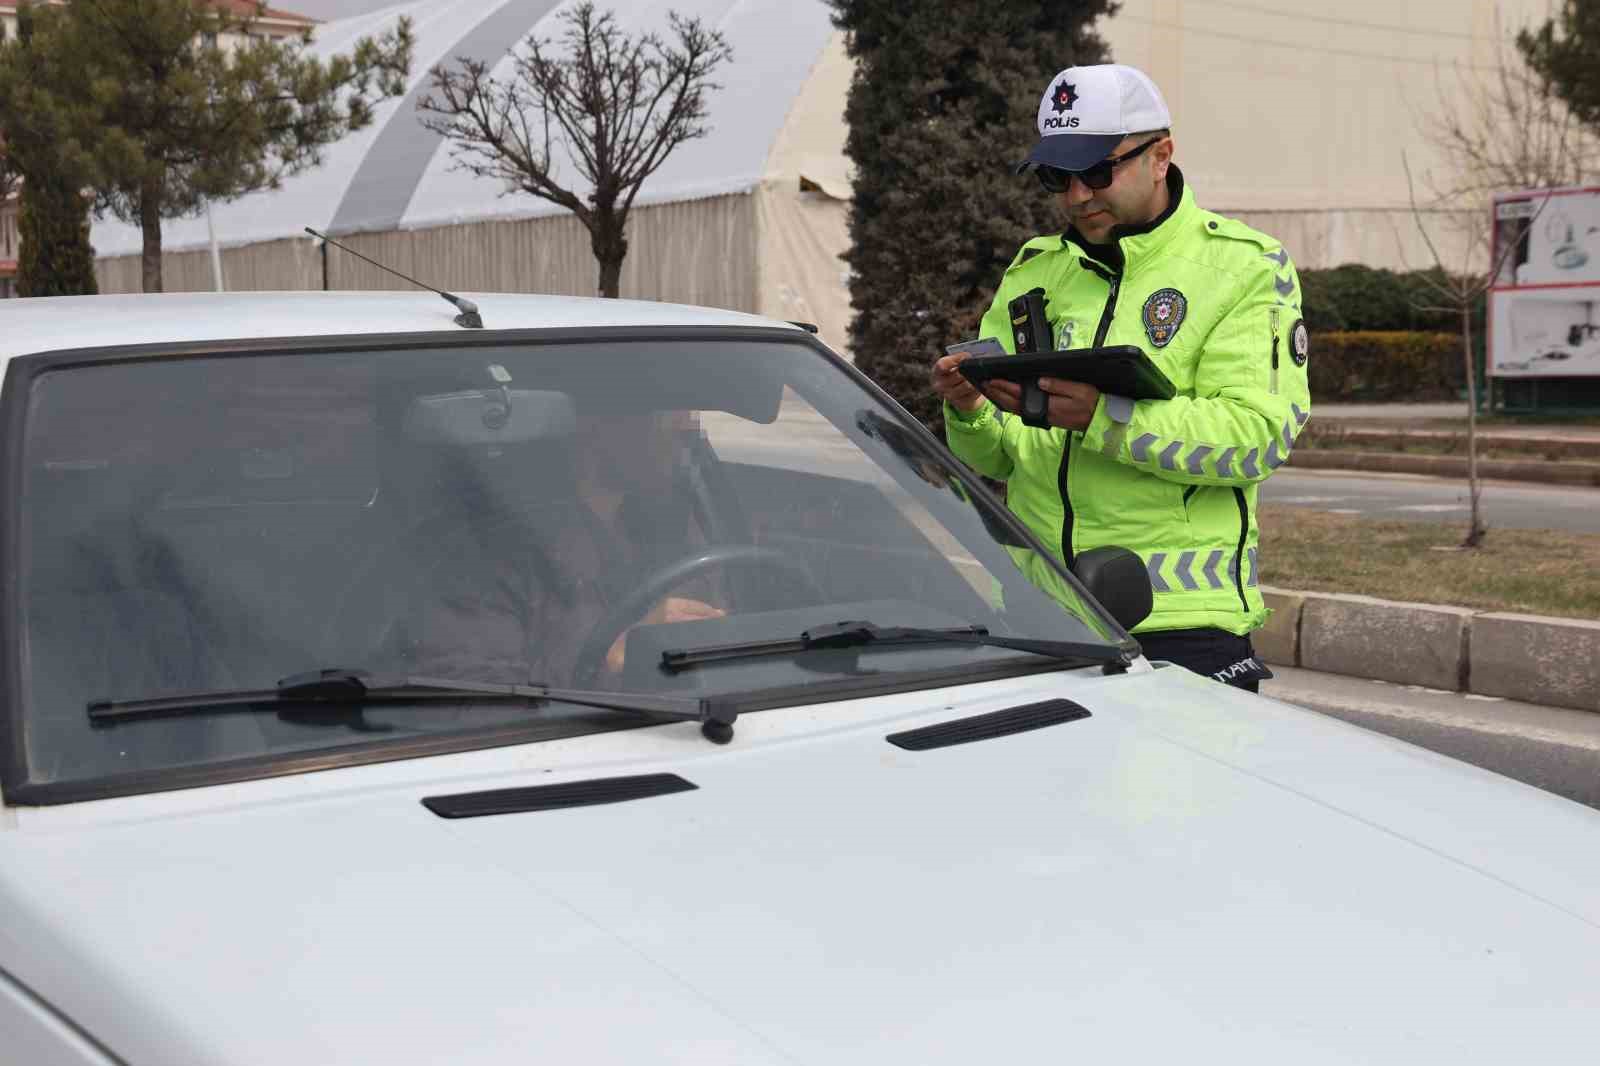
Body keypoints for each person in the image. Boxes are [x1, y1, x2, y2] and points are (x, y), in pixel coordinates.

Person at [930, 63, 1311, 692]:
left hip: (1180, 623)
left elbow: (1258, 438)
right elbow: (999, 458)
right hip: (1041, 610)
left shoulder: (1243, 268)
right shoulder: (1035, 271)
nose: (1077, 196)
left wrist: (1106, 418)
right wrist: (970, 406)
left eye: (1097, 172)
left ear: (1160, 156)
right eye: (1058, 177)